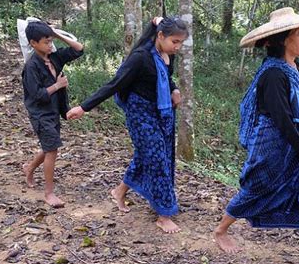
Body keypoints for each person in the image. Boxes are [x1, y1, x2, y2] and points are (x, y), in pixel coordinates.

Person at [213, 7, 299, 264]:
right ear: (285, 39)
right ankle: (220, 230)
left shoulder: (294, 66)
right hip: (271, 143)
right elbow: (282, 121)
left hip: (293, 143)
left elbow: (293, 117)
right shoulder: (272, 74)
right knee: (255, 189)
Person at [67, 16, 188, 233]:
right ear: (160, 36)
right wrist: (83, 107)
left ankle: (119, 191)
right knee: (157, 158)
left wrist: (175, 89)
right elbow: (114, 84)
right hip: (140, 113)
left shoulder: (168, 54)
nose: (177, 47)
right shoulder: (140, 58)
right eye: (175, 42)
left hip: (163, 111)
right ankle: (164, 213)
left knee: (148, 155)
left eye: (181, 42)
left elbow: (167, 78)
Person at [21, 21, 84, 208]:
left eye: (51, 42)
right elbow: (37, 95)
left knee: (50, 144)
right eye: (46, 42)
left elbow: (79, 49)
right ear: (33, 43)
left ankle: (29, 167)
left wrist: (56, 34)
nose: (50, 45)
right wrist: (57, 85)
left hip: (54, 110)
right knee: (52, 149)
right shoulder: (31, 66)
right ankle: (49, 193)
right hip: (40, 113)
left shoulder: (54, 58)